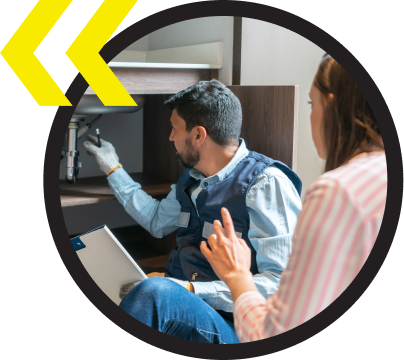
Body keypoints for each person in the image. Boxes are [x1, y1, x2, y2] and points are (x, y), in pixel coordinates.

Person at [83, 79, 302, 343]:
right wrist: (113, 168)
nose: (170, 137)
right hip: (189, 307)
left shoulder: (266, 184)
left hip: (235, 326)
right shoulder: (192, 180)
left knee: (154, 293)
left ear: (198, 135)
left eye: (175, 129)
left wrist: (187, 289)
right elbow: (156, 220)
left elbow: (281, 286)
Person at [200, 55, 386, 342]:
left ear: (333, 106)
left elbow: (273, 333)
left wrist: (237, 276)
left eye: (312, 104)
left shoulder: (335, 191)